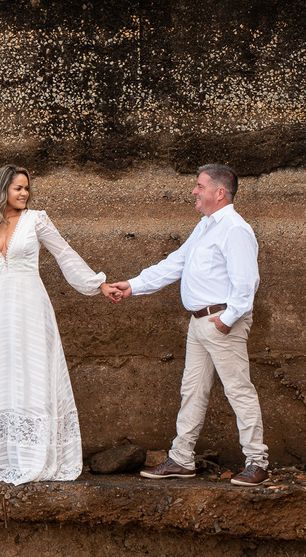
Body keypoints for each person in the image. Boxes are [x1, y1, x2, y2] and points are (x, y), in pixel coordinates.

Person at [101, 164, 270, 487]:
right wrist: (133, 286)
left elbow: (247, 283)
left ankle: (257, 462)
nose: (194, 191)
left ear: (219, 193)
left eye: (200, 186)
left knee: (239, 390)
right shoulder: (206, 226)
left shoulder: (234, 228)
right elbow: (175, 263)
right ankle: (181, 458)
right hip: (200, 322)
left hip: (221, 321)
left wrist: (226, 320)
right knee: (192, 390)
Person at [0, 164, 106, 485]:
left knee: (35, 373)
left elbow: (65, 254)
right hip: (0, 317)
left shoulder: (37, 220)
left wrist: (96, 284)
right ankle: (0, 455)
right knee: (1, 377)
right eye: (17, 188)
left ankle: (36, 452)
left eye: (26, 188)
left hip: (33, 309)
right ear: (2, 190)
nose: (24, 193)